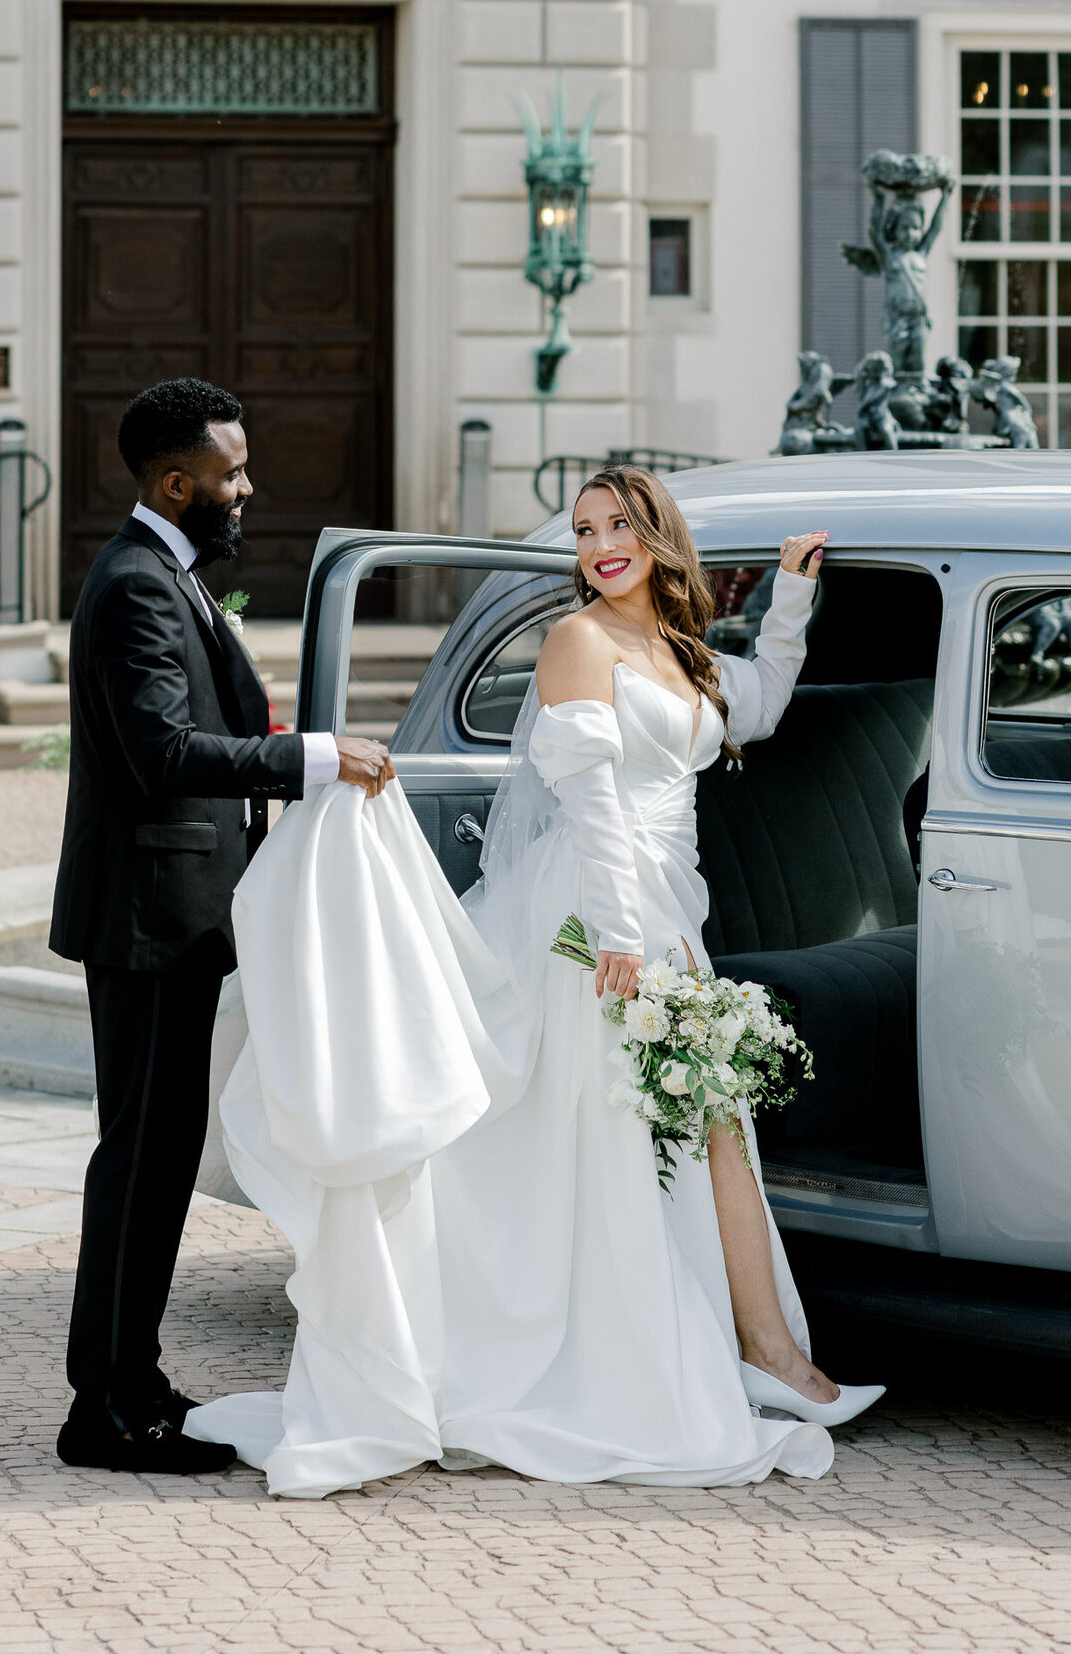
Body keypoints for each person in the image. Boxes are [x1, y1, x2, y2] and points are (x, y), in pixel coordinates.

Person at [187, 466, 884, 1497]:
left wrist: (788, 597)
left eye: (620, 525)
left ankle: (775, 1355)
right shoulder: (578, 642)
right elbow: (592, 798)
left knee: (711, 1126)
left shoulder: (679, 648)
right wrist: (616, 935)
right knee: (617, 1139)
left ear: (657, 539)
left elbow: (765, 704)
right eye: (587, 529)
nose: (601, 545)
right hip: (593, 923)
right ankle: (698, 1359)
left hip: (670, 915)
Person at [50, 378, 393, 1475]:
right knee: (141, 1161)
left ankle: (131, 1382)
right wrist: (313, 756)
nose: (248, 489)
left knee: (155, 1155)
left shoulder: (169, 575)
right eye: (233, 473)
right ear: (177, 481)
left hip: (181, 916)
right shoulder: (135, 589)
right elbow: (161, 756)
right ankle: (105, 1409)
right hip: (149, 919)